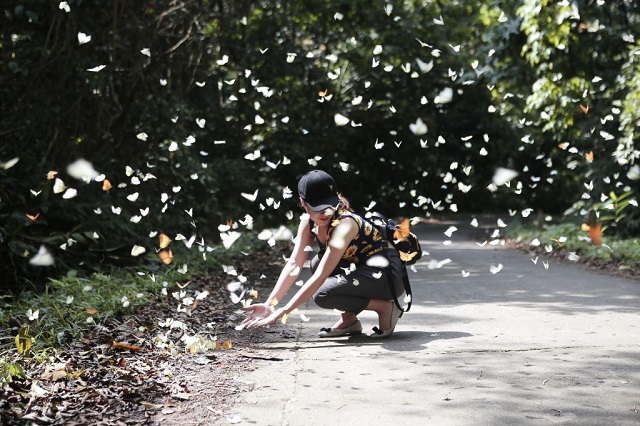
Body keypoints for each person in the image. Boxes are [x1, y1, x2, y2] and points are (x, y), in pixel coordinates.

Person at [242, 169, 406, 338]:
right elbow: (294, 264)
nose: (325, 212)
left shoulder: (345, 224)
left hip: (388, 276)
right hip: (363, 272)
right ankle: (349, 320)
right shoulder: (308, 223)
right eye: (317, 207)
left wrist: (283, 311)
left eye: (329, 205)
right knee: (317, 262)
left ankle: (385, 307)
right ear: (303, 203)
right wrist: (270, 305)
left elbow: (321, 276)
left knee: (323, 294)